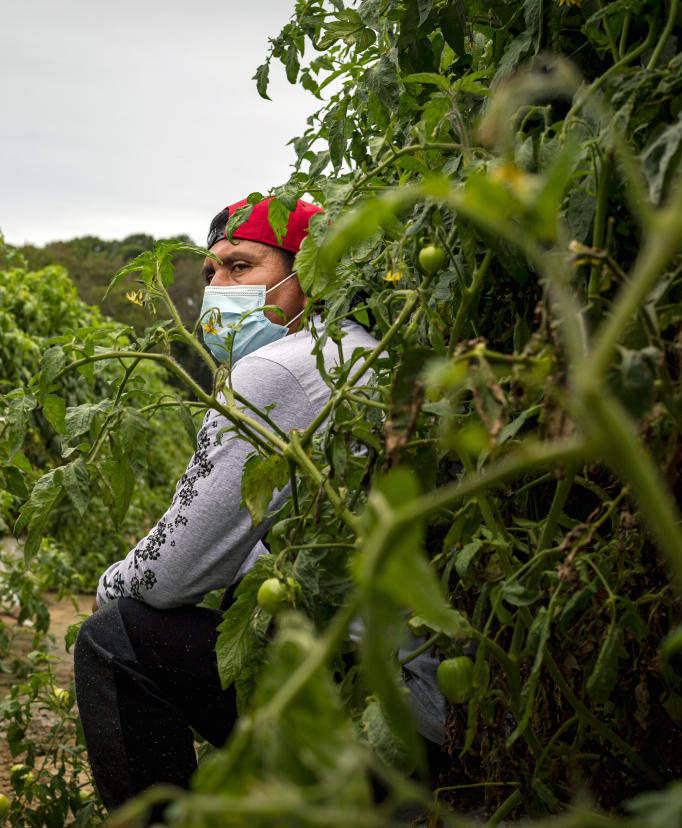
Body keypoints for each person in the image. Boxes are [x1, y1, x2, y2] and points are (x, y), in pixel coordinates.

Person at [72, 197, 448, 814]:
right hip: (424, 705)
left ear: (311, 277)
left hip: (377, 715)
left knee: (118, 637)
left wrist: (111, 583)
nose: (219, 288)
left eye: (241, 266)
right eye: (211, 272)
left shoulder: (279, 369)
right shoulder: (362, 352)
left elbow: (172, 577)